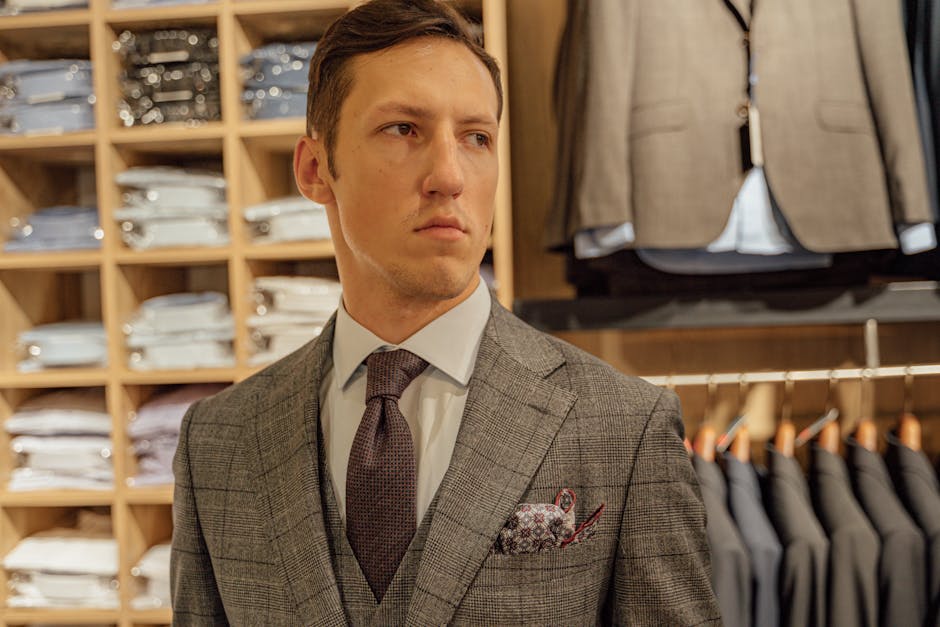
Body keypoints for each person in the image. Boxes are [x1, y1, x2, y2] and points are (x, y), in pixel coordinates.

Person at [170, 0, 719, 624]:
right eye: (403, 129)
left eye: (476, 137)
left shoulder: (624, 427)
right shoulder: (218, 442)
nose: (450, 176)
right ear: (316, 169)